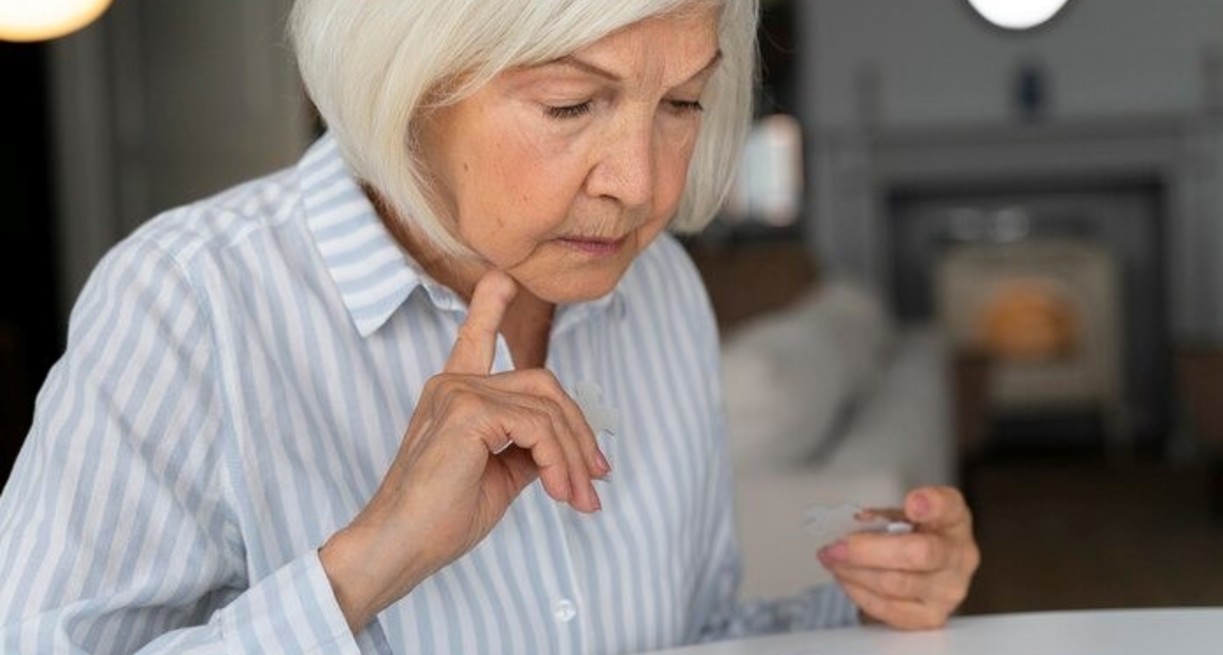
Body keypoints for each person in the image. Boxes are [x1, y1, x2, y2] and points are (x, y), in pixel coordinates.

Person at [0, 0, 979, 652]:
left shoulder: (661, 291)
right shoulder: (192, 303)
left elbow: (690, 631)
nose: (641, 183)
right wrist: (370, 561)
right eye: (569, 103)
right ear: (410, 88)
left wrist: (864, 605)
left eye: (682, 103)